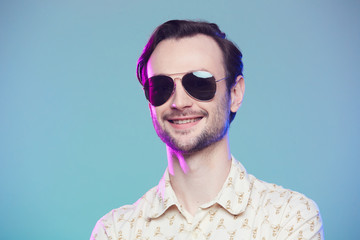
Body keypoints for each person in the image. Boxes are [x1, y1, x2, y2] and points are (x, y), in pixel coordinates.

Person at [90, 20, 323, 239]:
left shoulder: (289, 217)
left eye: (200, 82)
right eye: (161, 86)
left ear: (235, 93)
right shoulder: (116, 231)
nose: (179, 102)